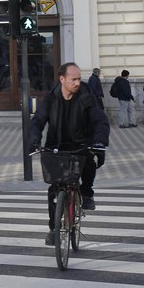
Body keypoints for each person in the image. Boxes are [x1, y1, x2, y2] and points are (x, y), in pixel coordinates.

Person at [28, 62, 110, 246]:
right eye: (74, 79)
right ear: (62, 79)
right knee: (54, 190)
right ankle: (53, 229)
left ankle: (87, 194)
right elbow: (38, 121)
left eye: (79, 79)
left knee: (89, 161)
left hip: (82, 144)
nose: (77, 82)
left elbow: (99, 120)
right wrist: (34, 142)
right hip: (56, 146)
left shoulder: (86, 96)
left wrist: (99, 141)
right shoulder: (51, 98)